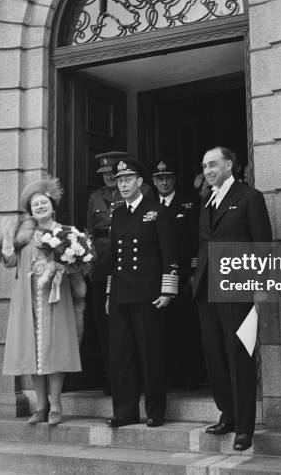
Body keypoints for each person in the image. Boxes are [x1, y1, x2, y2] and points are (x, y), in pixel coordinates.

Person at [193, 146, 272, 452]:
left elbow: (262, 244)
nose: (208, 170)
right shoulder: (207, 201)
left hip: (238, 288)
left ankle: (245, 427)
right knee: (214, 355)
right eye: (204, 165)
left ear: (229, 164)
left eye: (212, 164)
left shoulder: (250, 198)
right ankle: (228, 415)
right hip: (207, 288)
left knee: (240, 354)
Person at [0, 177, 86, 426]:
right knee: (32, 350)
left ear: (52, 206)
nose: (39, 207)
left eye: (43, 203)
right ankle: (40, 406)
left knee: (55, 349)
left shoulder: (66, 234)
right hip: (28, 299)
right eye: (35, 205)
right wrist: (7, 239)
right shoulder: (24, 235)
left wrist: (62, 266)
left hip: (55, 298)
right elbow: (9, 262)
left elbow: (76, 267)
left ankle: (56, 404)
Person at [105, 158, 180, 428]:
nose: (122, 184)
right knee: (120, 355)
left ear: (140, 182)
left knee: (151, 353)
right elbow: (114, 258)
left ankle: (155, 410)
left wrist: (168, 291)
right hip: (122, 294)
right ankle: (125, 410)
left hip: (149, 294)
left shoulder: (157, 211)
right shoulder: (117, 213)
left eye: (128, 179)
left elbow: (170, 255)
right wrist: (108, 295)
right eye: (119, 180)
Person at [150, 158, 204, 390]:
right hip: (156, 279)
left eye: (168, 177)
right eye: (159, 178)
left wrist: (194, 271)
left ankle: (191, 376)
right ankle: (168, 377)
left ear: (174, 180)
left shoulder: (189, 204)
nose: (164, 182)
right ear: (153, 181)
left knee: (186, 327)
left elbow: (198, 240)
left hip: (184, 276)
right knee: (161, 330)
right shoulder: (148, 206)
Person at [86, 151, 129, 395]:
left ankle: (132, 378)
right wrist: (90, 264)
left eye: (113, 173)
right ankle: (109, 379)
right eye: (105, 174)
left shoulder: (138, 192)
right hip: (102, 261)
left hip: (127, 259)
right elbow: (89, 232)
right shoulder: (95, 197)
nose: (109, 178)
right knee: (104, 324)